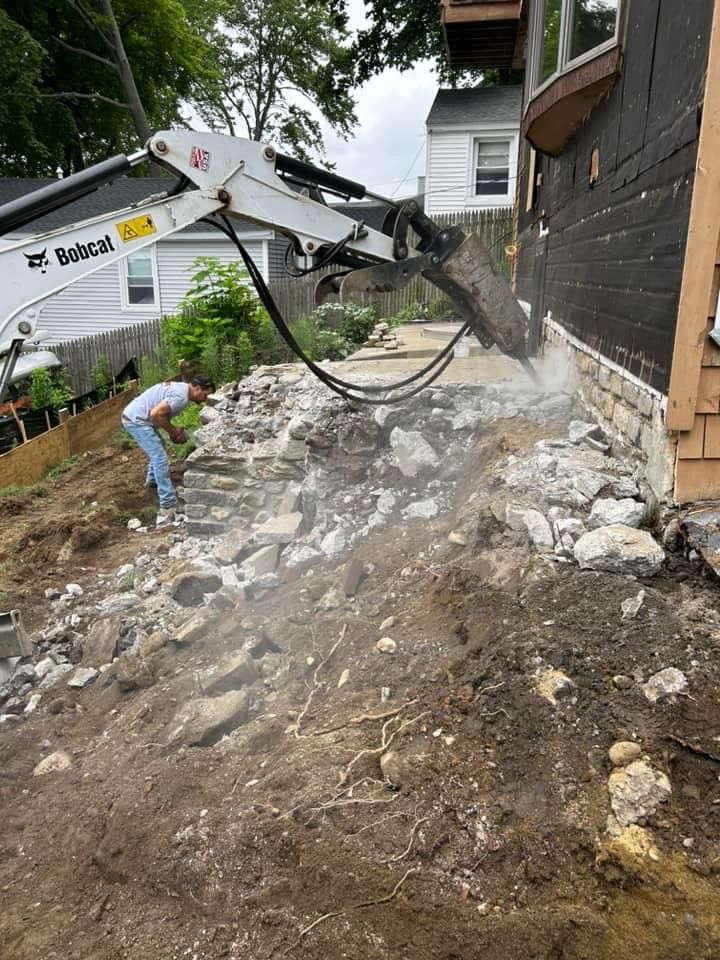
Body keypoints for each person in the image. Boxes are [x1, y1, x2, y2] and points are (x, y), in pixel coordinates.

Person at [121, 375, 215, 524]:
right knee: (159, 457)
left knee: (159, 449)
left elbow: (160, 413)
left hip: (136, 416)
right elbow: (156, 413)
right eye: (205, 394)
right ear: (197, 389)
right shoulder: (181, 396)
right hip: (137, 420)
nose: (204, 399)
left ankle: (152, 483)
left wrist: (173, 430)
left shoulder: (180, 389)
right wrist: (174, 432)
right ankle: (168, 504)